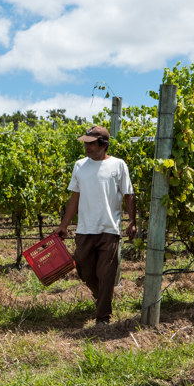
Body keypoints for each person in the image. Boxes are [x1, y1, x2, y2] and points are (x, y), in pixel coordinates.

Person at [55, 125, 136, 325]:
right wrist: (63, 225)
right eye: (85, 143)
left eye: (91, 144)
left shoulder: (118, 165)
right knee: (83, 269)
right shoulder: (80, 166)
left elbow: (128, 194)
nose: (86, 147)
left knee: (107, 273)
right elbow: (75, 197)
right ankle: (102, 297)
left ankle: (103, 318)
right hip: (84, 229)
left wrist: (132, 221)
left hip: (109, 228)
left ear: (103, 145)